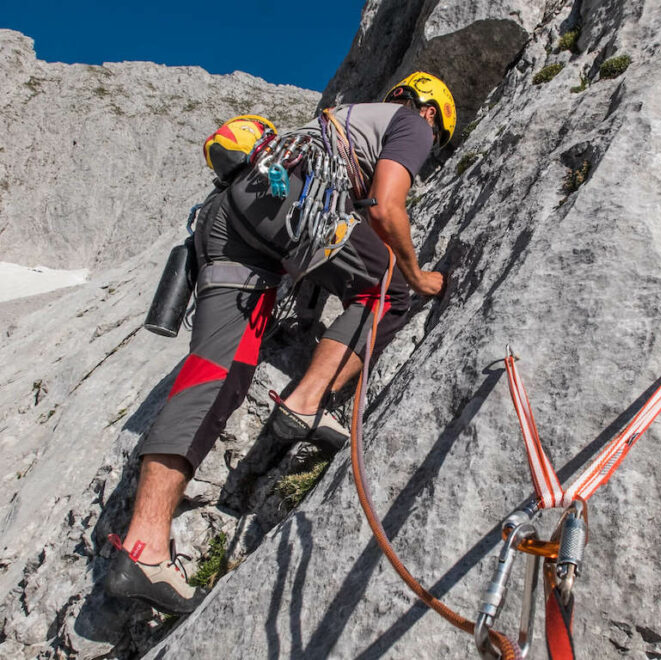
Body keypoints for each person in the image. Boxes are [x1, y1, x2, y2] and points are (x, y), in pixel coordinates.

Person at [104, 72, 456, 614]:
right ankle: (307, 403)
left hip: (228, 215)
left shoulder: (340, 124)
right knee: (390, 291)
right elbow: (386, 208)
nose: (427, 155)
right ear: (433, 112)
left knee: (212, 375)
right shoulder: (413, 123)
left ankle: (144, 548)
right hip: (283, 199)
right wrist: (417, 273)